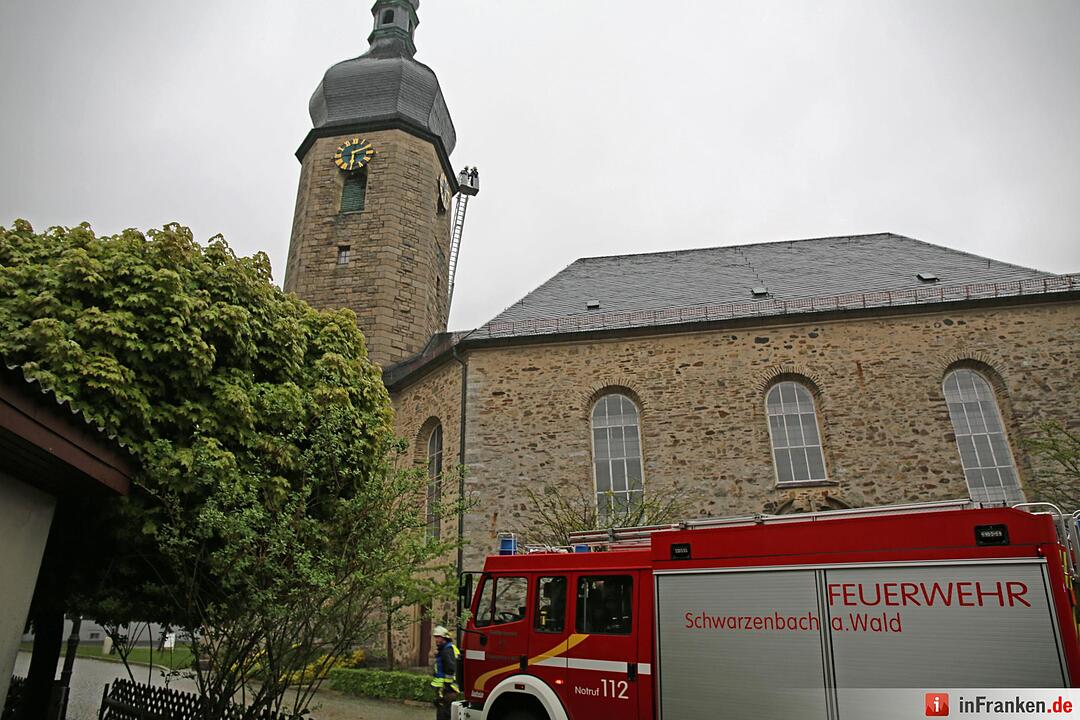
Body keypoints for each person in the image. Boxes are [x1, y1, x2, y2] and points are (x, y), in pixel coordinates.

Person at [431, 625, 460, 720]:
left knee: (444, 715)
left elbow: (450, 669)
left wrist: (446, 686)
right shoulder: (447, 648)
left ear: (444, 638)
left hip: (448, 690)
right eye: (436, 637)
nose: (436, 640)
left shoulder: (447, 651)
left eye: (438, 638)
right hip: (447, 689)